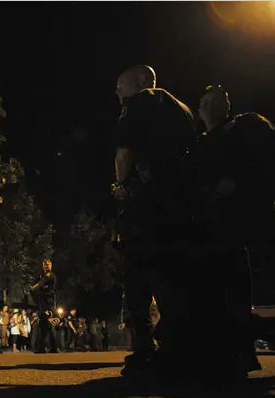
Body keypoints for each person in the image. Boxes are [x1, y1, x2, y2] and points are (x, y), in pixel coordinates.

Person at [196, 85, 275, 358]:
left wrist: (239, 179)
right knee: (229, 287)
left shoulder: (247, 126)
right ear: (200, 110)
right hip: (222, 223)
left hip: (257, 213)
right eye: (206, 101)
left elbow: (274, 161)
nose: (212, 105)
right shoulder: (200, 144)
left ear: (227, 104)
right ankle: (236, 353)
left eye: (218, 99)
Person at [111, 65, 196, 378]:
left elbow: (124, 154)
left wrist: (120, 184)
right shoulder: (184, 110)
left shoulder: (137, 104)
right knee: (172, 276)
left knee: (137, 279)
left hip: (145, 203)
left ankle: (144, 351)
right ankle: (178, 348)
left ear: (142, 82)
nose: (117, 91)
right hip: (180, 205)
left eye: (121, 84)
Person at [30, 258, 58, 353]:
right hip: (46, 304)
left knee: (44, 326)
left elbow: (36, 287)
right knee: (48, 326)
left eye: (48, 264)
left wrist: (35, 288)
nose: (46, 266)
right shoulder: (44, 276)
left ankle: (43, 348)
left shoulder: (49, 275)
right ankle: (52, 348)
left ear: (51, 265)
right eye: (45, 265)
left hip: (47, 304)